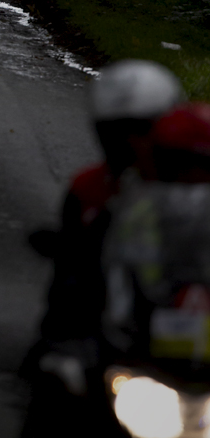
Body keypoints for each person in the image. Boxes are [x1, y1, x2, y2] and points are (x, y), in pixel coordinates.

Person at [22, 60, 184, 436]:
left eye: (143, 130)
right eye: (119, 132)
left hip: (185, 326)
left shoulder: (194, 185)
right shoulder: (90, 188)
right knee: (59, 383)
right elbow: (71, 275)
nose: (131, 142)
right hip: (111, 326)